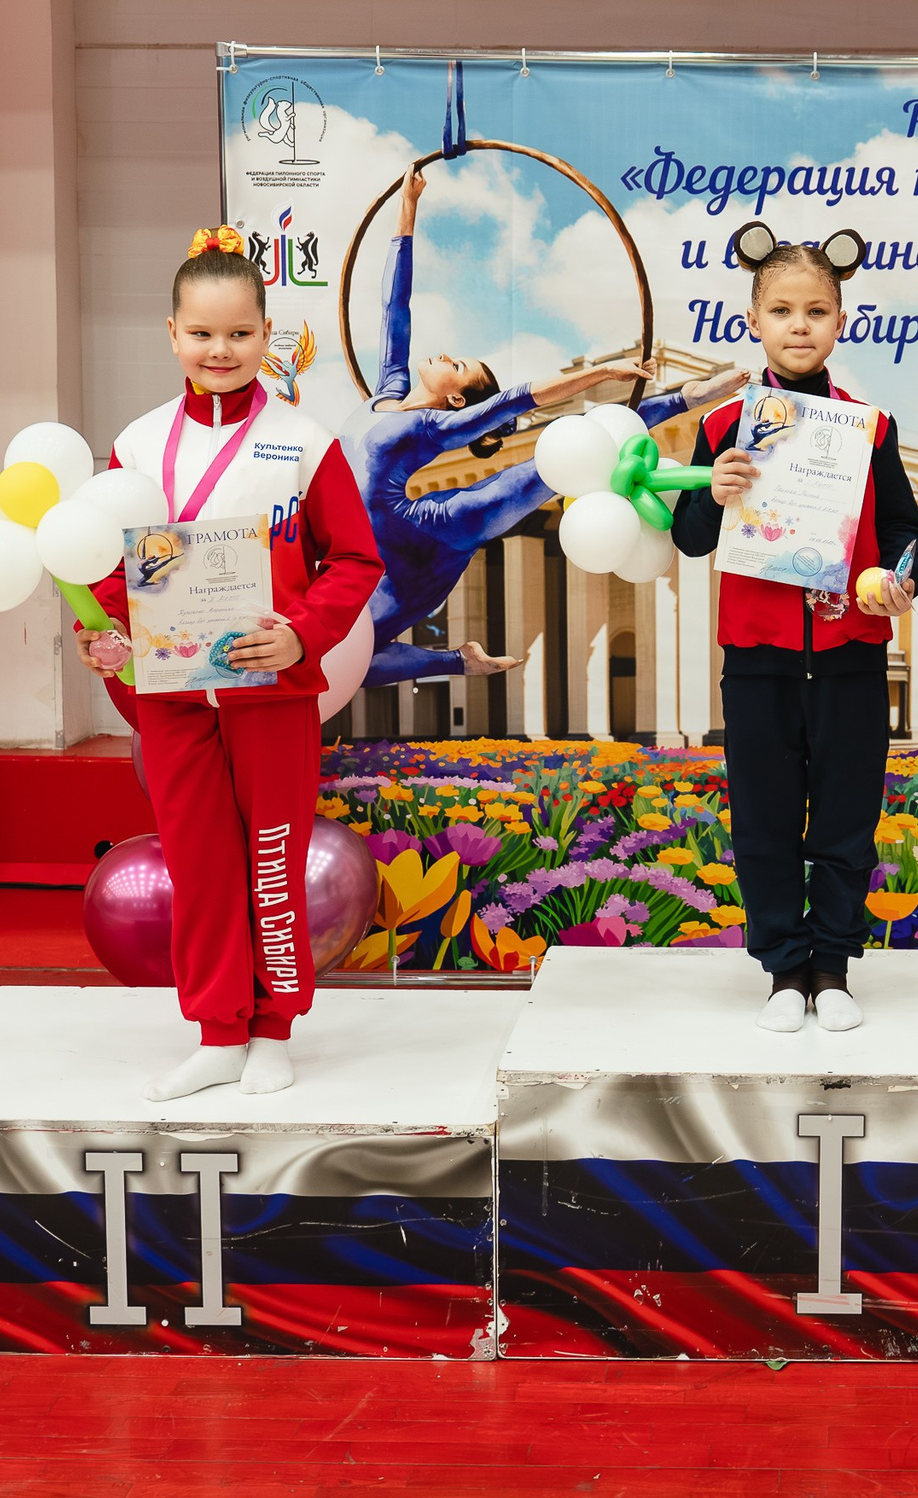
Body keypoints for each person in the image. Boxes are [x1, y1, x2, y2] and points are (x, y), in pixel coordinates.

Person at [74, 228, 385, 1102]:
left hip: (271, 690)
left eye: (240, 333)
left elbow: (355, 560)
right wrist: (107, 630)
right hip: (173, 697)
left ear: (266, 334)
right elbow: (108, 562)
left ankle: (273, 1027)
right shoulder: (138, 445)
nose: (221, 350)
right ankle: (218, 1030)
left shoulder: (304, 441)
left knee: (273, 861)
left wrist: (301, 633)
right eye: (203, 333)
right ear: (172, 333)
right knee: (201, 865)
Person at [337, 168, 749, 685]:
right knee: (355, 654)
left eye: (458, 364)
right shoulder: (388, 389)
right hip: (372, 549)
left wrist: (603, 374)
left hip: (430, 529)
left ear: (457, 398)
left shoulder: (434, 426)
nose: (444, 354)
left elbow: (518, 399)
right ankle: (460, 661)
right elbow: (393, 307)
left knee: (560, 461)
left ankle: (685, 398)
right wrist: (408, 211)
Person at [670, 232, 918, 1033]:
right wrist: (713, 491)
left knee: (847, 820)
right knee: (765, 821)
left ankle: (833, 969)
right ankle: (785, 970)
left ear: (840, 322)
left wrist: (901, 577)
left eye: (817, 310)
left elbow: (905, 528)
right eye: (782, 310)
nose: (800, 325)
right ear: (753, 321)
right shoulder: (724, 425)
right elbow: (690, 538)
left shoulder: (871, 428)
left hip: (851, 655)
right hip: (758, 660)